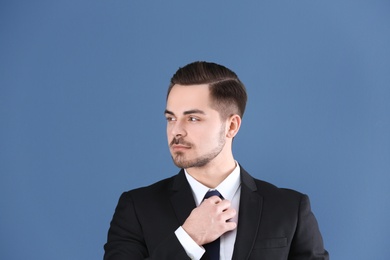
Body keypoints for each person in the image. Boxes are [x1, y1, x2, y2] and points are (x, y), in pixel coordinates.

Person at [104, 61, 329, 260]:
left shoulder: (289, 209)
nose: (176, 131)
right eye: (171, 118)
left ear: (231, 126)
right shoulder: (137, 207)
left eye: (192, 118)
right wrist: (188, 239)